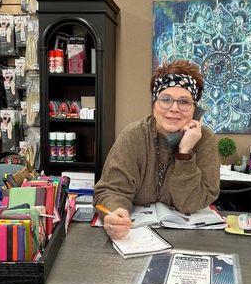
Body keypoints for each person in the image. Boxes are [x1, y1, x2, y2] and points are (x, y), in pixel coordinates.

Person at [93, 60, 220, 239]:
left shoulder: (206, 141)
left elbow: (192, 203)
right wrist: (115, 212)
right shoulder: (133, 135)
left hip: (190, 239)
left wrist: (185, 154)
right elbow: (110, 190)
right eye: (166, 99)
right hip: (135, 234)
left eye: (184, 102)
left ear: (195, 109)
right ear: (154, 104)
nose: (174, 109)